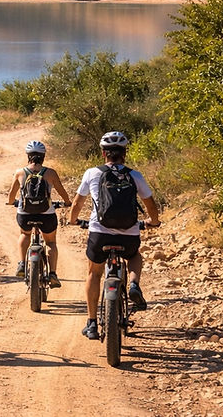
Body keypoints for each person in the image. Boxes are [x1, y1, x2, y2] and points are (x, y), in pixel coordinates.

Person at [68, 131, 161, 340]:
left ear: (103, 153)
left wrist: (73, 221)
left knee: (94, 273)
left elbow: (77, 204)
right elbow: (150, 205)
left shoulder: (92, 173)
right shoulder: (135, 175)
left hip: (99, 234)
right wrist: (153, 222)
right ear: (124, 154)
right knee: (134, 255)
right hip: (129, 234)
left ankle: (92, 323)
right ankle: (134, 284)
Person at [5, 140, 71, 287]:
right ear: (43, 156)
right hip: (46, 214)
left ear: (28, 156)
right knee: (51, 242)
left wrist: (11, 202)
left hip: (25, 214)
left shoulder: (20, 172)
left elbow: (11, 196)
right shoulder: (50, 173)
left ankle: (21, 264)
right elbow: (62, 191)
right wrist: (67, 202)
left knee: (24, 234)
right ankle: (52, 274)